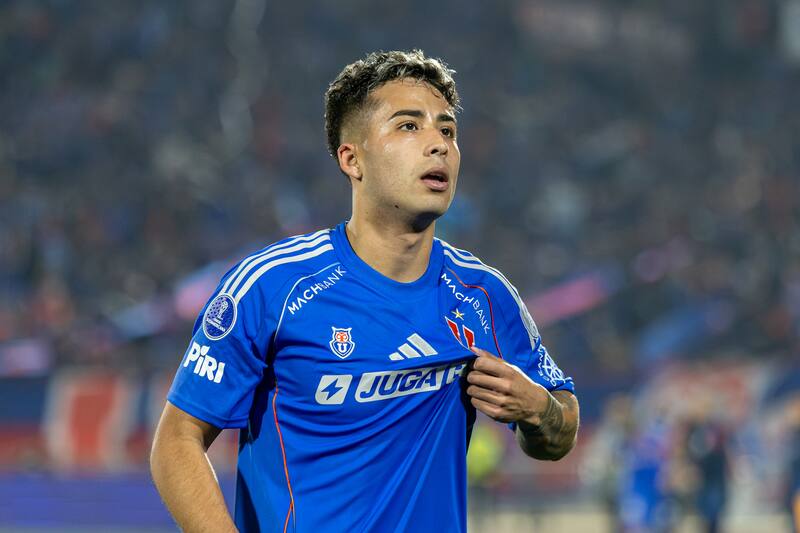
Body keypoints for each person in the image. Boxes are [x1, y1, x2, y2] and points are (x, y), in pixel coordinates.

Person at [150, 49, 580, 533]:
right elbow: (177, 439)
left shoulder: (484, 295)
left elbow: (560, 429)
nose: (438, 144)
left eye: (447, 130)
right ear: (352, 158)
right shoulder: (273, 287)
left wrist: (539, 410)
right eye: (409, 126)